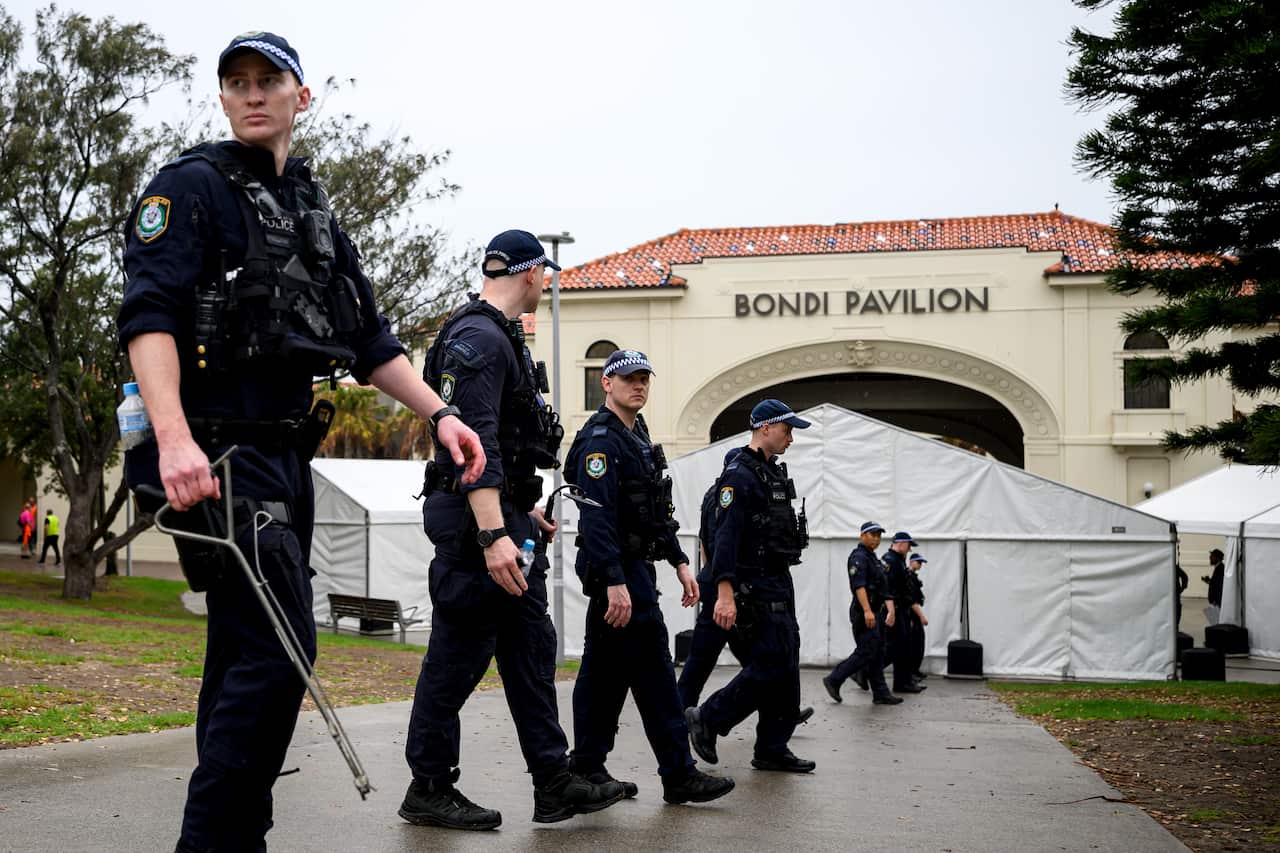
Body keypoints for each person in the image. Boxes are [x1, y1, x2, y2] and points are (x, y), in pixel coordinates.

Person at [116, 32, 484, 852]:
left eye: (267, 81)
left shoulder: (309, 207)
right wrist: (172, 440)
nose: (251, 94)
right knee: (282, 648)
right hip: (215, 456)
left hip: (286, 457)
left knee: (242, 652)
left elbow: (371, 338)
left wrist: (441, 414)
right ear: (223, 99)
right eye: (236, 82)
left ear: (299, 97)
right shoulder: (190, 187)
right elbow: (147, 317)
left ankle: (235, 831)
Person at [401, 230, 626, 831]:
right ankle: (428, 787)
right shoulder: (478, 338)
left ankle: (554, 785)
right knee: (455, 662)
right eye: (544, 276)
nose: (546, 285)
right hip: (478, 530)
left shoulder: (496, 337)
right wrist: (494, 533)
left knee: (531, 654)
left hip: (506, 522)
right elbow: (476, 447)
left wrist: (522, 517)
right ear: (530, 274)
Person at [565, 349, 735, 805]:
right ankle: (678, 773)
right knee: (655, 674)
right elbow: (595, 519)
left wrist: (680, 561)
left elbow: (656, 511)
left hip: (633, 570)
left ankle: (587, 766)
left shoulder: (636, 434)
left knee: (604, 675)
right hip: (617, 576)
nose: (638, 386)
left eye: (644, 379)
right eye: (628, 379)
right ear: (607, 383)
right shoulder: (601, 440)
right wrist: (616, 580)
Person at [685, 399, 816, 773]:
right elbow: (724, 539)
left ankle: (773, 747)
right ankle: (709, 718)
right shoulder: (739, 476)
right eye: (786, 430)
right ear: (764, 428)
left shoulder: (770, 473)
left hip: (777, 580)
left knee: (786, 663)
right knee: (770, 663)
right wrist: (724, 592)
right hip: (751, 585)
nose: (791, 438)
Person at [677, 450, 814, 725]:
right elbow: (719, 540)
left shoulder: (713, 494)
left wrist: (710, 576)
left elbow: (705, 542)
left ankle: (782, 710)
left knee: (751, 658)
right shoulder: (730, 491)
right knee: (709, 657)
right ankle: (682, 716)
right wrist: (719, 584)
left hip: (725, 583)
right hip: (729, 587)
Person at [822, 522, 903, 706]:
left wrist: (889, 609)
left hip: (877, 611)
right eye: (872, 534)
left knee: (878, 653)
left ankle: (881, 693)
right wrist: (867, 610)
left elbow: (884, 589)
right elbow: (859, 586)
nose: (876, 538)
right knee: (866, 651)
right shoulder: (858, 557)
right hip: (865, 611)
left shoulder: (874, 559)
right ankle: (835, 678)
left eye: (878, 535)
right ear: (862, 535)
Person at [883, 532, 924, 694]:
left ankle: (904, 682)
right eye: (908, 545)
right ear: (899, 543)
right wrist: (891, 611)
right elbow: (889, 589)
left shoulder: (898, 560)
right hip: (896, 610)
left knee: (902, 648)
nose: (909, 550)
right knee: (896, 648)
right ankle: (863, 671)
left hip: (902, 609)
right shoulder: (891, 561)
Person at [906, 553, 928, 681]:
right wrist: (922, 617)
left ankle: (914, 670)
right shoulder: (908, 577)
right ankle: (910, 672)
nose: (920, 565)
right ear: (912, 561)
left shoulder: (913, 577)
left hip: (914, 615)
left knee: (918, 643)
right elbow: (912, 601)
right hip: (910, 615)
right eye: (918, 562)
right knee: (913, 644)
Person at [1175, 561, 1188, 629]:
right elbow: (1185, 576)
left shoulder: (1174, 567)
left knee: (1176, 610)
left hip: (1174, 593)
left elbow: (1184, 576)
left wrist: (1182, 588)